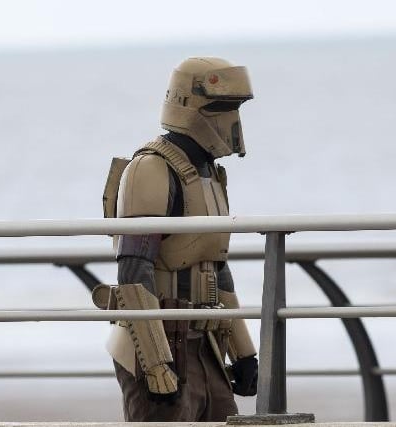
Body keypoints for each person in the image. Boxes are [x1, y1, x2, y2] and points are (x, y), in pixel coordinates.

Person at [96, 57, 258, 422]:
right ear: (188, 106)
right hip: (158, 341)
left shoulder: (211, 175)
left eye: (233, 107)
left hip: (205, 345)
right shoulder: (151, 168)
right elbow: (134, 272)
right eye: (219, 107)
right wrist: (155, 364)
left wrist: (243, 351)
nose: (229, 118)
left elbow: (216, 270)